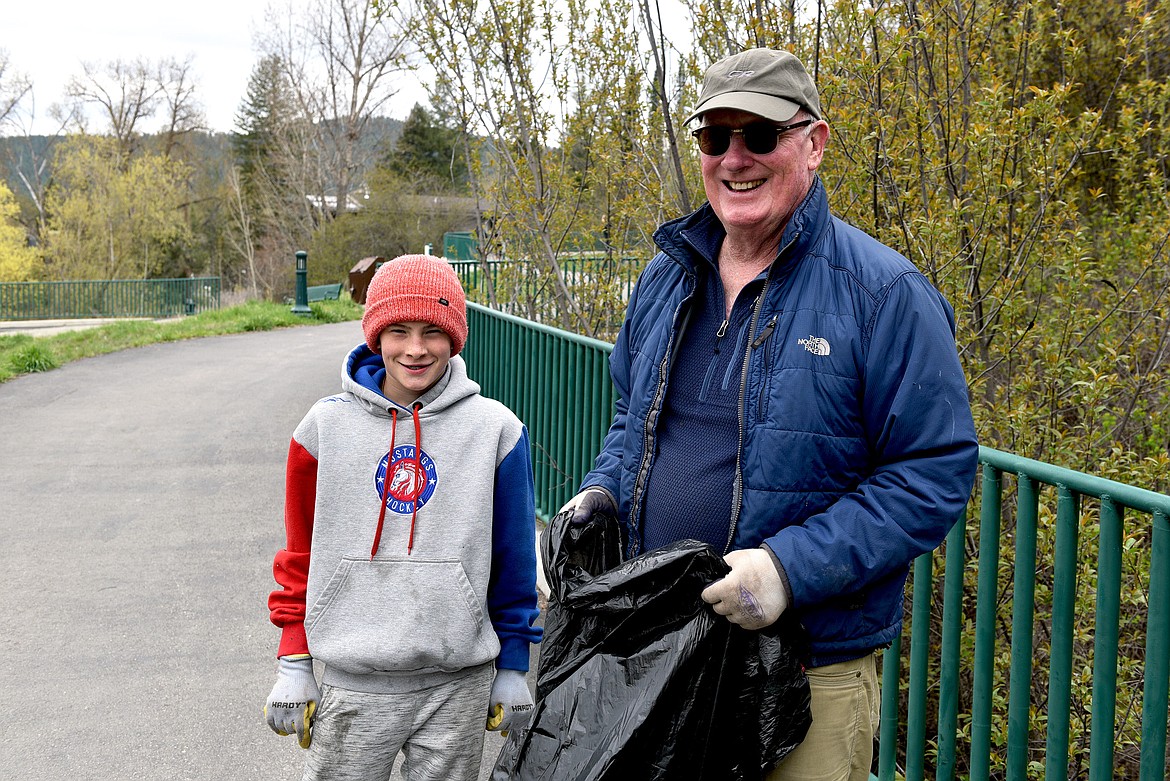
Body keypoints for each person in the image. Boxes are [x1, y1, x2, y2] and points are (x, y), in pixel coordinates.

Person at [561, 48, 979, 781]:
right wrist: (602, 491)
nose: (735, 158)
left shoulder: (885, 294)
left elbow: (933, 473)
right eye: (714, 137)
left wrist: (789, 568)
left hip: (804, 672)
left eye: (758, 135)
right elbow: (635, 415)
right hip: (659, 652)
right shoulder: (667, 275)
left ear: (814, 143)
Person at [264, 254, 543, 781]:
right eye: (398, 330)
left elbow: (513, 560)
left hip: (457, 685)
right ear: (375, 335)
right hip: (353, 680)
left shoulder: (496, 431)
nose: (416, 349)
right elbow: (300, 552)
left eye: (432, 332)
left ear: (455, 337)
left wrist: (512, 663)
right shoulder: (321, 429)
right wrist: (294, 660)